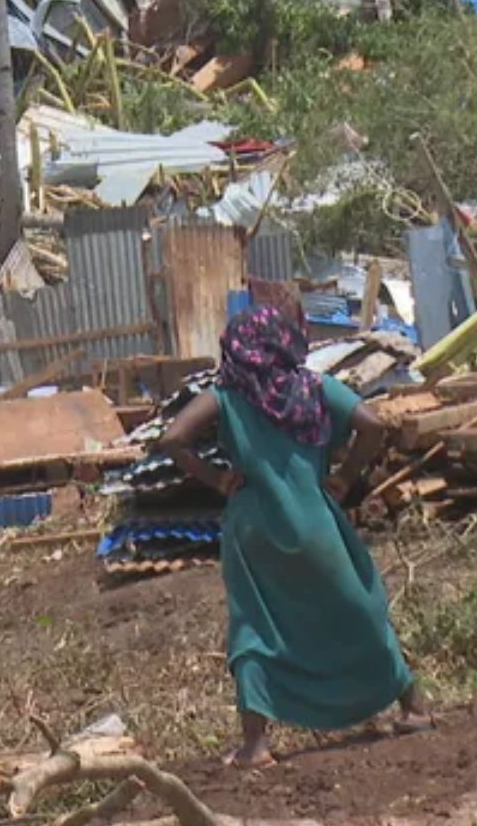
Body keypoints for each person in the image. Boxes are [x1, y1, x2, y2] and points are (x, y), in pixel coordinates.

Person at [157, 306, 432, 768]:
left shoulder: (225, 394)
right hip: (315, 522)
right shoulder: (314, 388)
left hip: (254, 529)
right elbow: (373, 424)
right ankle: (414, 706)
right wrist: (344, 477)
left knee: (256, 625)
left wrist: (216, 479)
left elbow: (172, 438)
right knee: (358, 606)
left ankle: (256, 745)